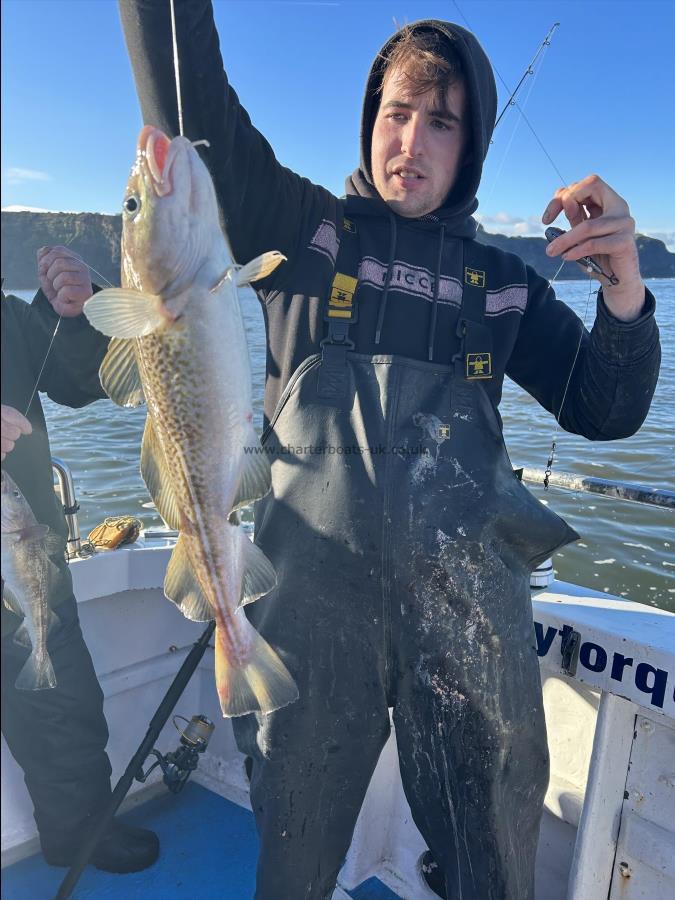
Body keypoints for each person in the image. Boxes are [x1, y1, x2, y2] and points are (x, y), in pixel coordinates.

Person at [118, 5, 660, 898]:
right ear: (370, 121)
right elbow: (189, 102)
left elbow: (604, 409)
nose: (410, 140)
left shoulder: (505, 287)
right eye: (395, 114)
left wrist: (625, 295)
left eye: (440, 121)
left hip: (466, 624)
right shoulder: (298, 232)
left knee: (491, 860)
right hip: (308, 617)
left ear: (472, 142)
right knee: (292, 853)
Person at [1, 247, 159, 873]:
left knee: (67, 715)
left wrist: (75, 311)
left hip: (31, 561)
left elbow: (91, 382)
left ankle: (78, 834)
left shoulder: (9, 321)